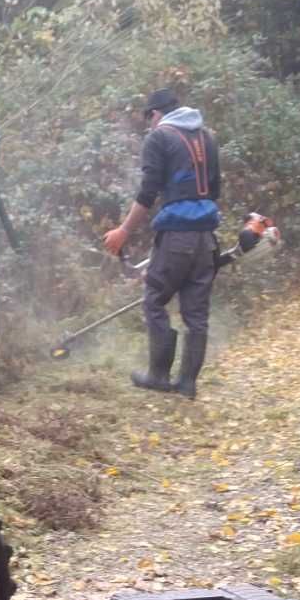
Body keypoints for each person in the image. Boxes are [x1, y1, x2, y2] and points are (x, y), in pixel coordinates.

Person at [102, 88, 221, 399]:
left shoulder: (159, 138)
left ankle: (158, 375)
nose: (150, 125)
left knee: (155, 299)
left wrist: (123, 232)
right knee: (196, 313)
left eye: (149, 118)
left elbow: (148, 192)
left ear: (156, 114)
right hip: (207, 239)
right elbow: (215, 189)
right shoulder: (206, 137)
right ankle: (187, 383)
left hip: (177, 237)